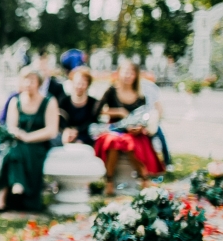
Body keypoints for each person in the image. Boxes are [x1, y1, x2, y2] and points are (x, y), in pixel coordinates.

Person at [95, 60, 164, 195]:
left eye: (131, 72)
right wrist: (118, 111)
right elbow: (96, 111)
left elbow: (144, 116)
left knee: (130, 142)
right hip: (113, 129)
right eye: (125, 71)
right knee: (114, 142)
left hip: (132, 133)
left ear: (135, 75)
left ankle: (143, 177)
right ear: (119, 73)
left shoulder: (140, 95)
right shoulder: (111, 91)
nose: (128, 75)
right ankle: (109, 181)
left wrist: (139, 127)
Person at [0, 68, 59, 211]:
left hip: (39, 143)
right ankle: (17, 186)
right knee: (13, 151)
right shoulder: (15, 101)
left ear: (39, 83)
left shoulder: (49, 101)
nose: (28, 83)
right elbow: (12, 126)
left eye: (32, 80)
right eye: (26, 79)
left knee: (16, 152)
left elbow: (51, 130)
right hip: (19, 140)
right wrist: (20, 135)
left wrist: (29, 137)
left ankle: (5, 193)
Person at [59, 67, 101, 146]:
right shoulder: (63, 101)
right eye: (77, 83)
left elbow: (92, 122)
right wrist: (67, 131)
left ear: (88, 85)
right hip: (65, 135)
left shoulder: (94, 103)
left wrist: (77, 131)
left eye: (83, 84)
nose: (79, 86)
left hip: (86, 136)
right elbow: (60, 120)